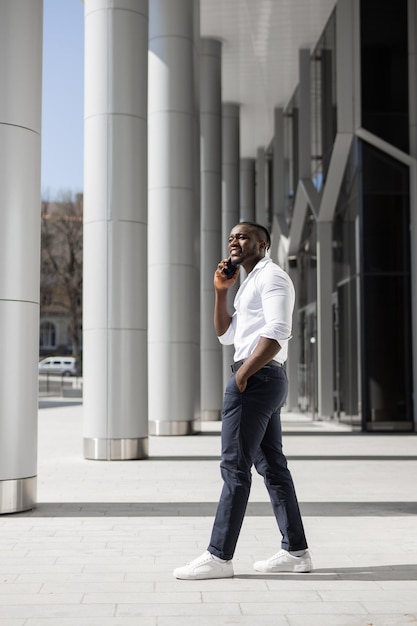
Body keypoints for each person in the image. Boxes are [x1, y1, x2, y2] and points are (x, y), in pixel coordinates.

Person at [173, 221, 311, 580]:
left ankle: (219, 557)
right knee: (273, 469)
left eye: (243, 236)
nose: (234, 241)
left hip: (256, 380)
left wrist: (242, 376)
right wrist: (221, 291)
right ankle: (296, 551)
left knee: (235, 468)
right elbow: (226, 334)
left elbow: (279, 333)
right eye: (231, 237)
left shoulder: (273, 278)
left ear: (263, 244)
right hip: (259, 378)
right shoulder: (248, 282)